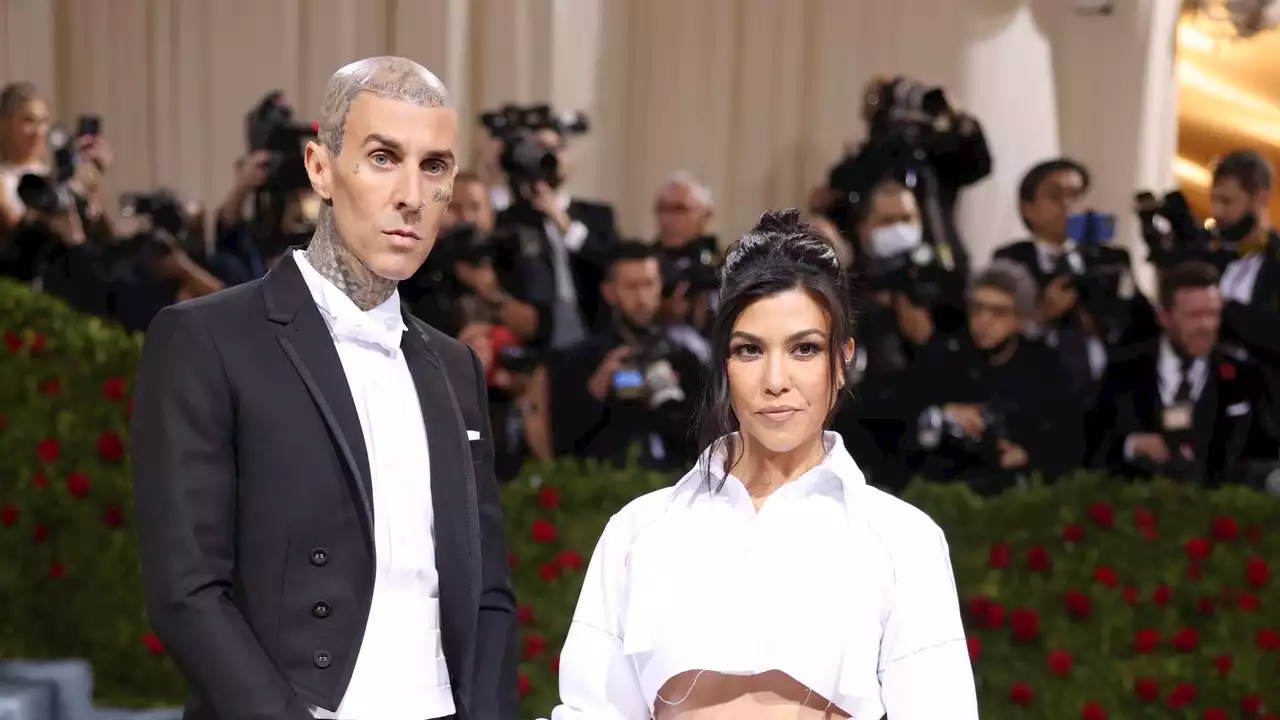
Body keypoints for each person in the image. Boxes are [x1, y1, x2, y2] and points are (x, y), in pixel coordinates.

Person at [130, 57, 517, 720]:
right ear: (320, 168)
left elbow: (486, 591)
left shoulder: (453, 367)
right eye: (383, 157)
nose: (411, 196)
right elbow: (188, 588)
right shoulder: (208, 339)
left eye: (434, 167)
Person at [548, 210, 978, 719]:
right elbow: (590, 711)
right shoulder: (640, 531)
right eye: (749, 350)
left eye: (804, 349)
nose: (776, 380)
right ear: (724, 365)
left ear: (842, 362)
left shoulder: (901, 539)